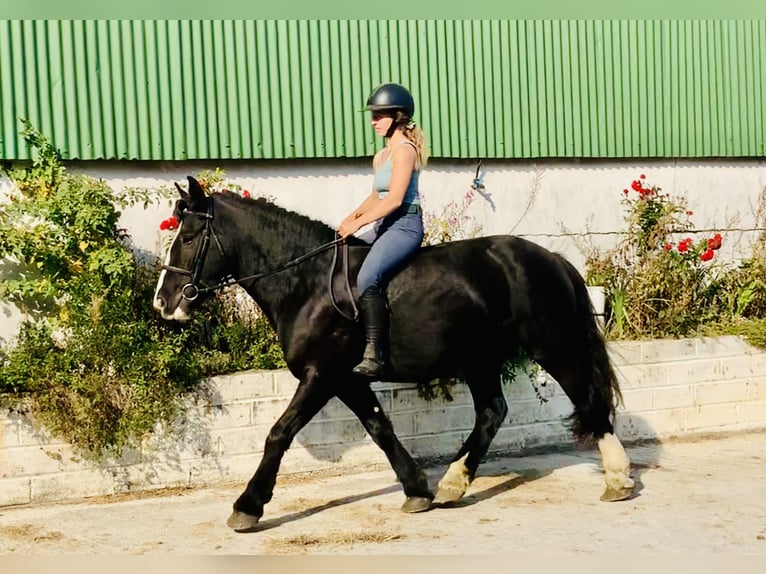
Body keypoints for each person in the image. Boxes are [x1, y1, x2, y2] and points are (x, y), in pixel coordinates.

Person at [337, 82, 430, 379]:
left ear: (398, 115)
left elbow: (394, 199)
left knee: (367, 277)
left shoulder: (405, 151)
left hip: (404, 225)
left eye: (379, 115)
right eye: (373, 115)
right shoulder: (382, 156)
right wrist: (348, 219)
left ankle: (375, 354)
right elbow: (375, 196)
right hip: (384, 225)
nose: (373, 121)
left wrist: (360, 222)